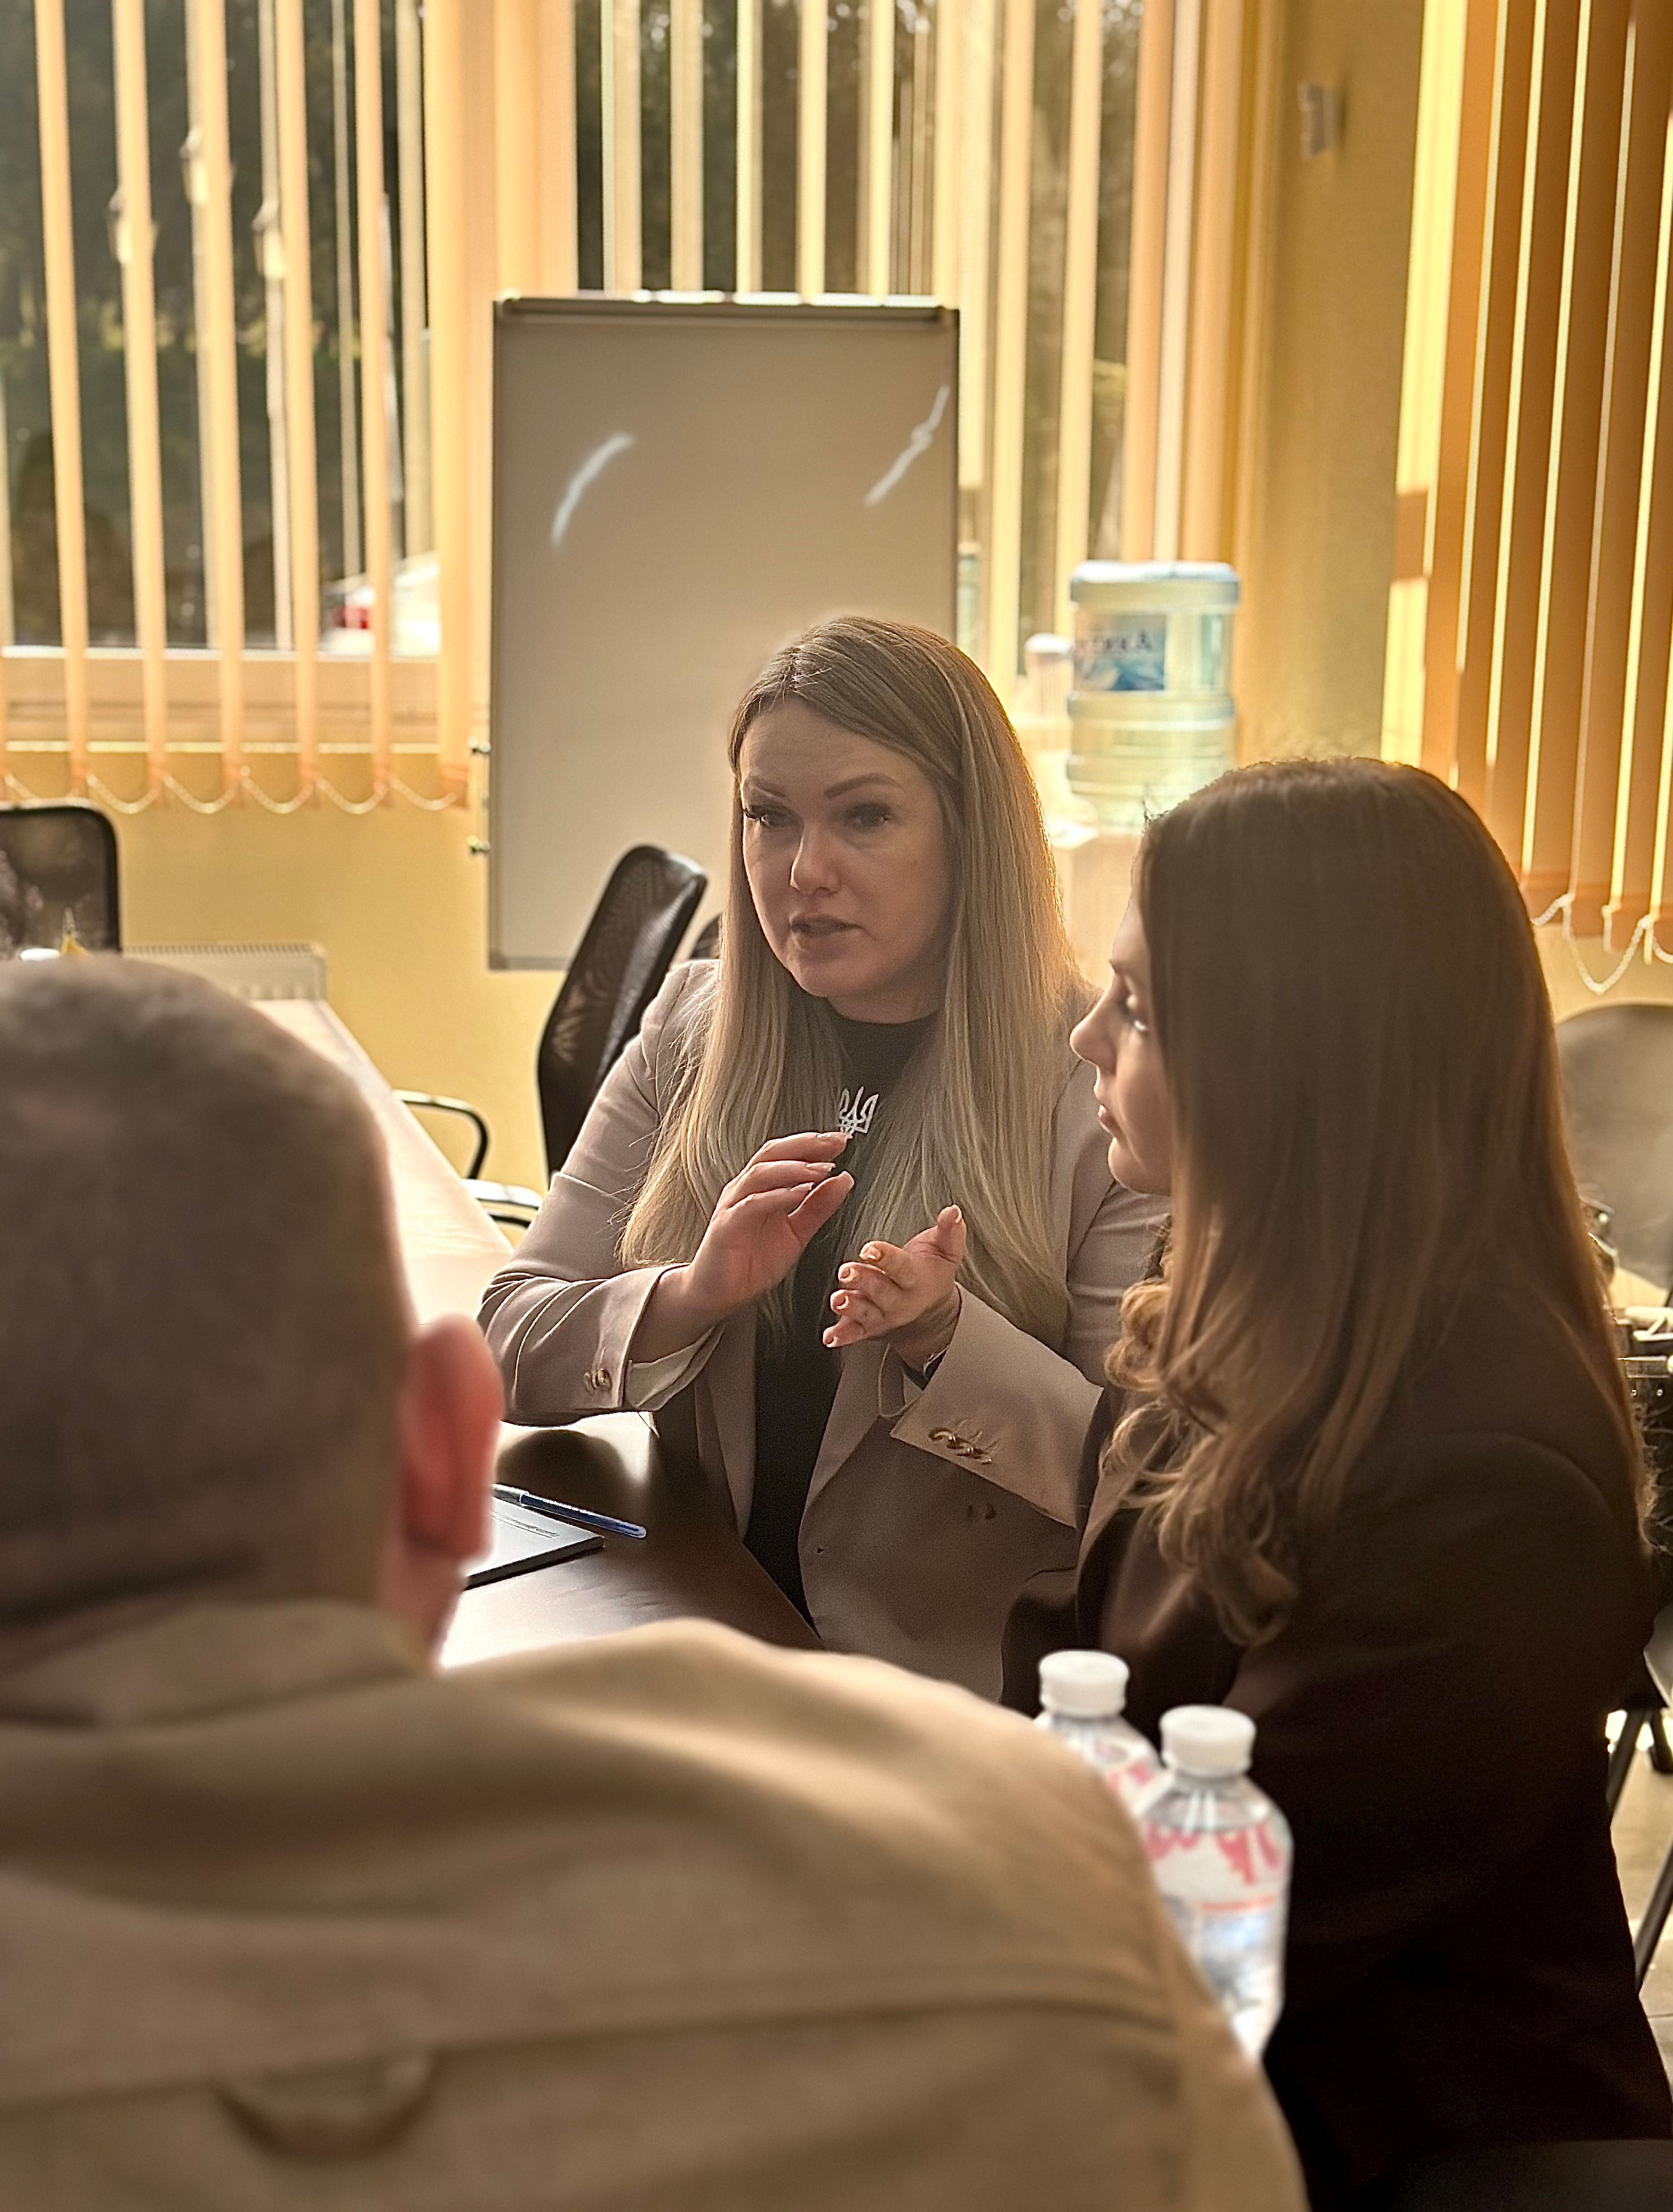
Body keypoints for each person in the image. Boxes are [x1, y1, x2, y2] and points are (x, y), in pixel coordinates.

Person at [0, 958, 1303, 2211]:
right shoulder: (1051, 1904)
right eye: (768, 828)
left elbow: (1109, 1462)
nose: (804, 871)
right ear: (449, 1456)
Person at [1066, 758, 1673, 2210]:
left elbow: (1232, 1913)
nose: (1088, 1035)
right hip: (1186, 2072)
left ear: (1288, 1062)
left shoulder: (1485, 1489)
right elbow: (1079, 1685)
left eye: (1137, 1006)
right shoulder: (1234, 1316)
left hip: (1405, 2152)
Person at [480, 617, 1162, 1696]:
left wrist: (946, 1341)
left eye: (864, 817)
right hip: (701, 1633)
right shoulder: (693, 1027)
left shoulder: (1097, 1081)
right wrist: (689, 1296)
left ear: (969, 833)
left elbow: (1135, 1484)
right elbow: (503, 1342)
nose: (804, 871)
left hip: (940, 1698)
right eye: (769, 817)